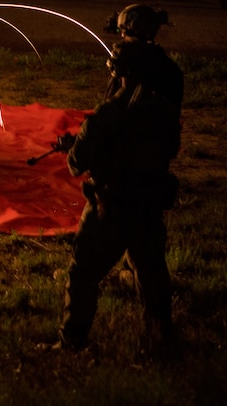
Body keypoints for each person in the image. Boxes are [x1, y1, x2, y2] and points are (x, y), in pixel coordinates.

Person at [52, 23, 184, 354]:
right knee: (152, 271)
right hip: (148, 206)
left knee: (83, 274)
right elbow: (167, 150)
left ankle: (72, 341)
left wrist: (76, 146)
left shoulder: (106, 115)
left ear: (118, 70)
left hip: (110, 208)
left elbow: (76, 163)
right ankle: (160, 335)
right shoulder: (164, 111)